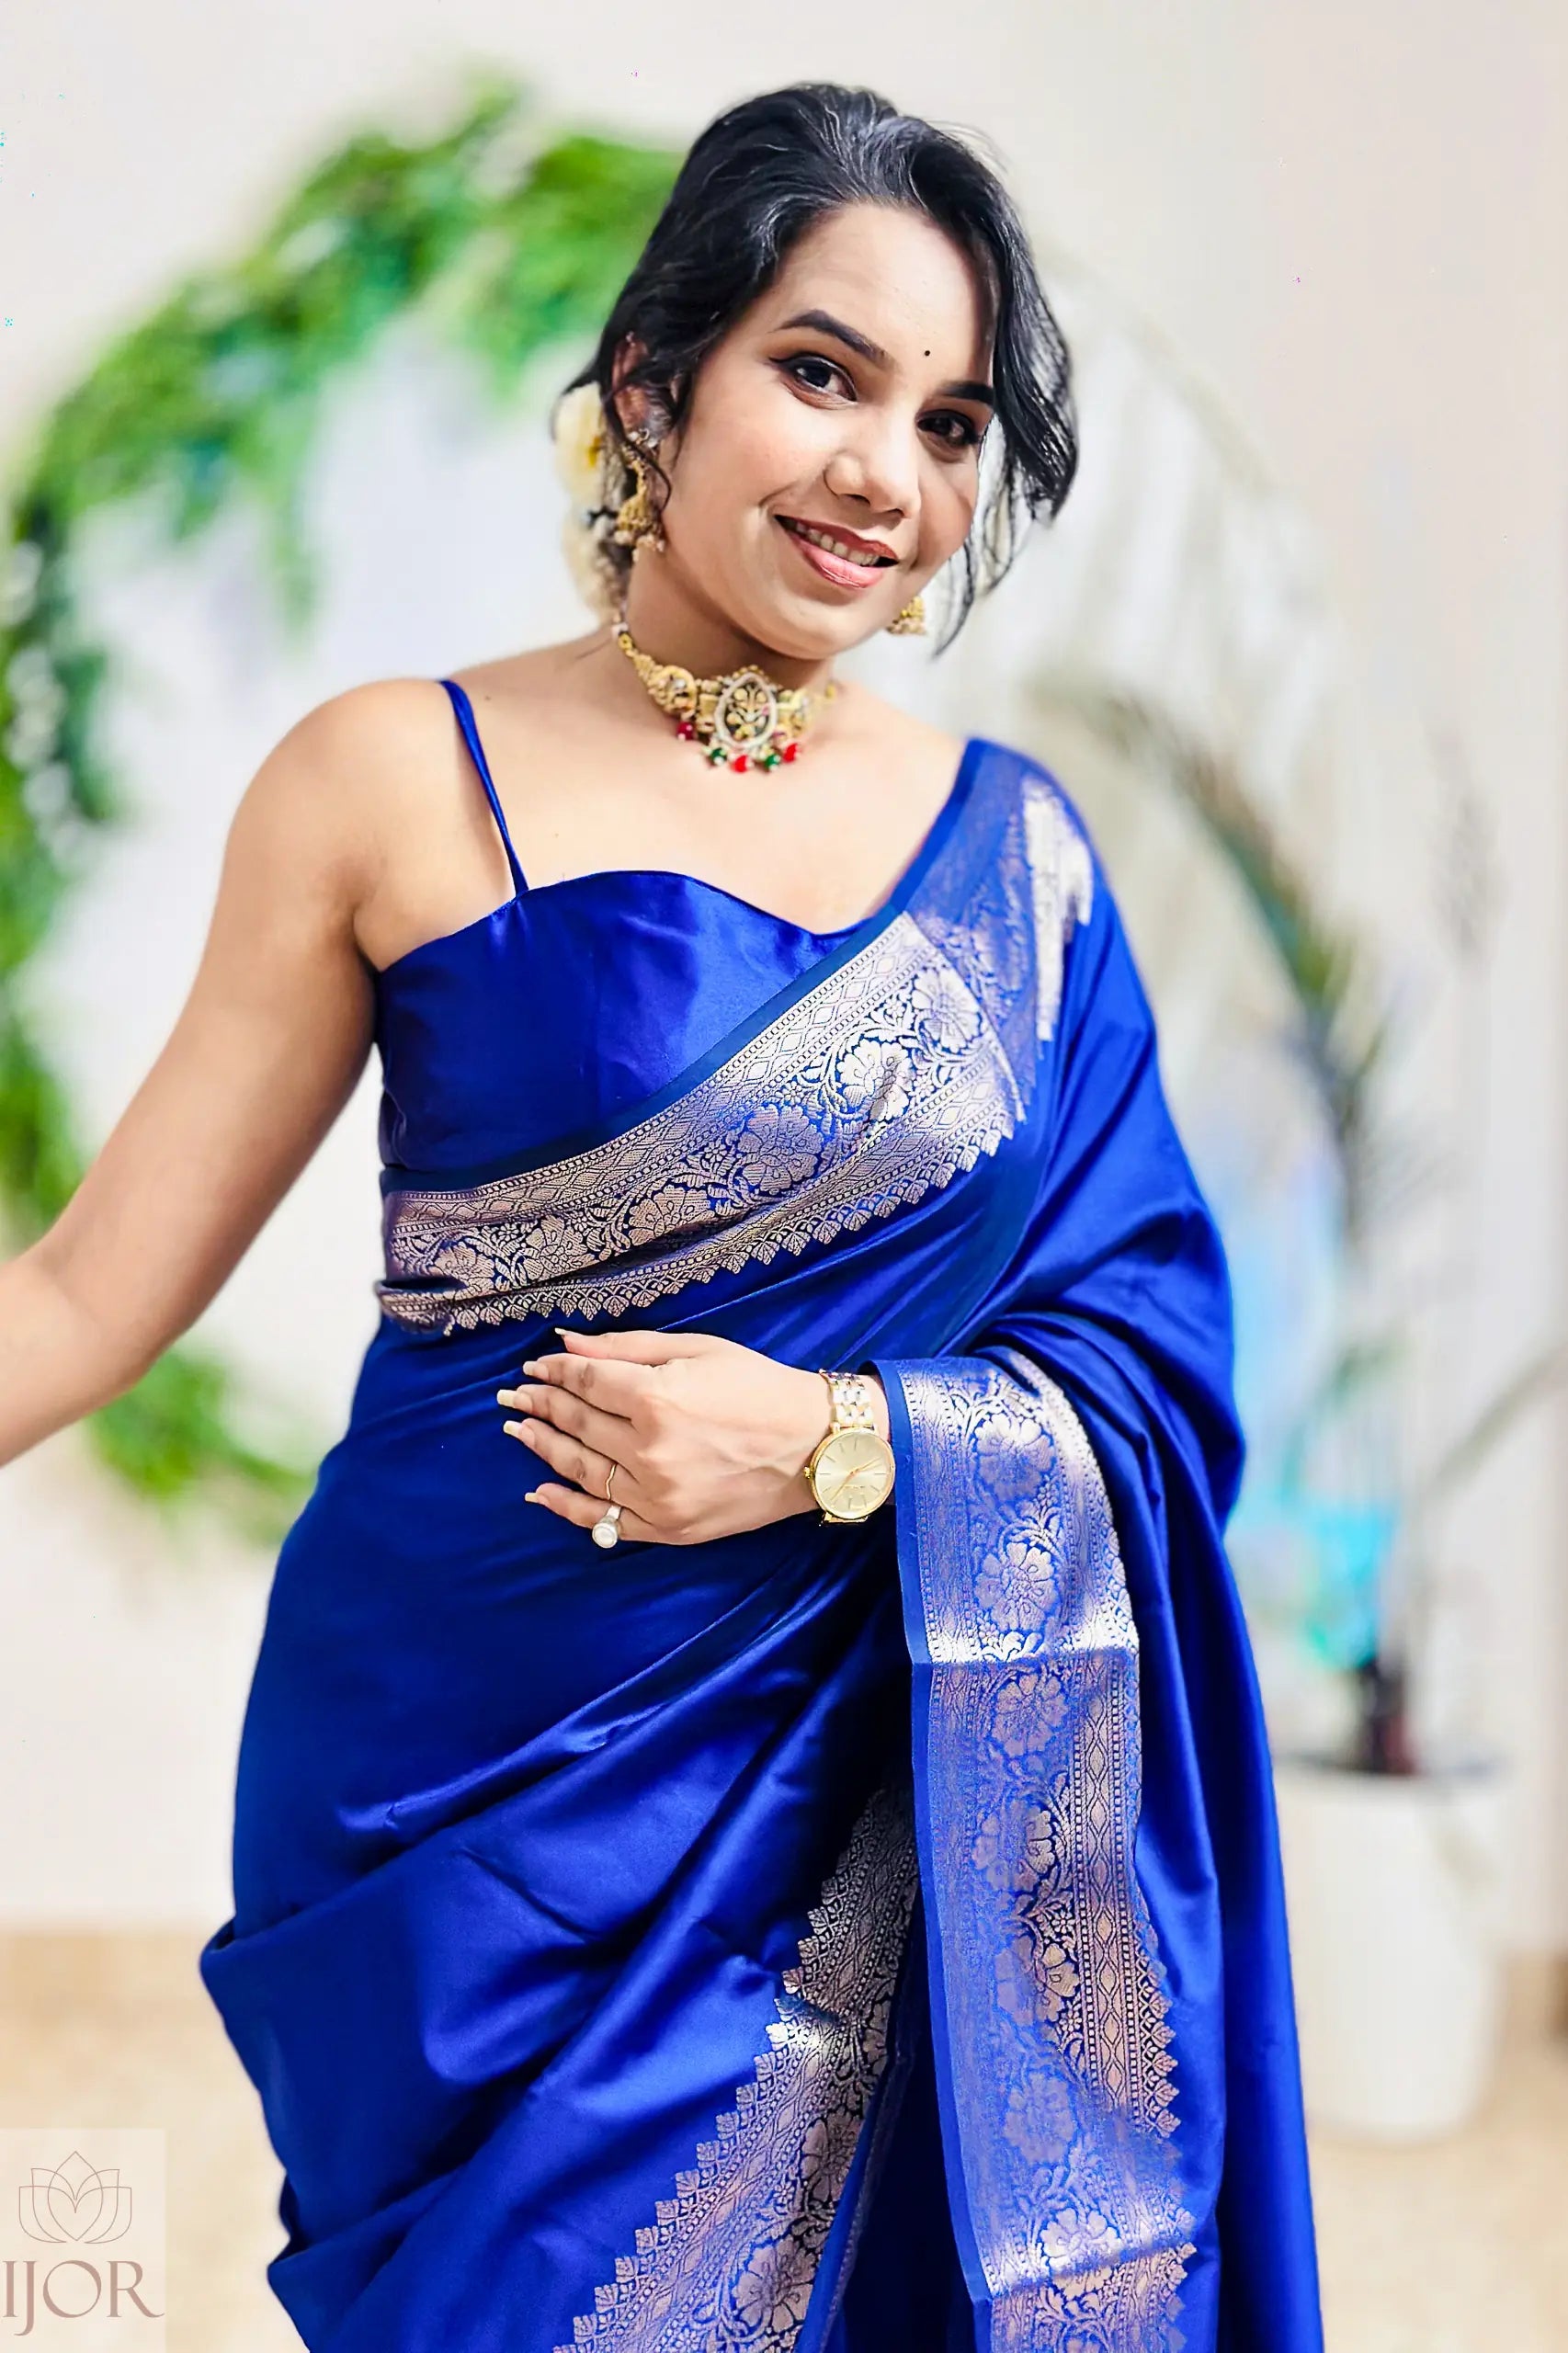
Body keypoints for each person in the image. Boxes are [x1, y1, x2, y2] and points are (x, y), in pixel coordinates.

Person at [0, 81, 1323, 2353]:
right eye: (820, 372)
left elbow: (1158, 1372)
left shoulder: (1021, 860)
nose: (882, 474)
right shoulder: (389, 774)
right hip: (458, 1775)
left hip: (860, 1788)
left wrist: (840, 1438)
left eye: (948, 417)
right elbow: (87, 1282)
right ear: (652, 381)